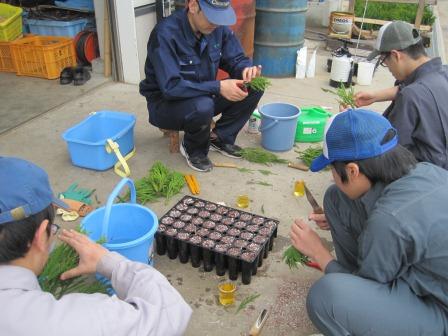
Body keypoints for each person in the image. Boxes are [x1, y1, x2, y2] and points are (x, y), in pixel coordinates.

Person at [289, 109, 448, 335]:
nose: (332, 175)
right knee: (336, 198)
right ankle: (354, 284)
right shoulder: (426, 171)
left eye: (332, 169)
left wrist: (319, 253)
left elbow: (376, 278)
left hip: (440, 311)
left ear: (352, 170)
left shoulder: (389, 219)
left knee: (325, 297)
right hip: (430, 276)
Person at [0, 156, 192, 336]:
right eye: (54, 229)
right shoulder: (70, 322)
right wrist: (110, 263)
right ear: (41, 235)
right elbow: (170, 310)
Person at [139, 0, 264, 172]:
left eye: (220, 17)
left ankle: (219, 137)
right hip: (167, 105)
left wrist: (246, 70)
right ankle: (193, 149)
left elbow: (236, 59)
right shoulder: (165, 34)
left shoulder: (216, 28)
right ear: (192, 6)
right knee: (203, 105)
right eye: (212, 17)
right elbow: (171, 87)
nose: (216, 23)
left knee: (254, 86)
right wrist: (219, 87)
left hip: (204, 96)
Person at [354, 20, 448, 169]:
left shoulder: (411, 96)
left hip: (425, 175)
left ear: (396, 55)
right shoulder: (443, 73)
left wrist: (355, 123)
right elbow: (414, 87)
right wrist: (375, 96)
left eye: (384, 61)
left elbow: (388, 150)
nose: (388, 69)